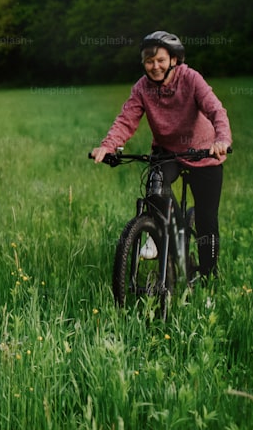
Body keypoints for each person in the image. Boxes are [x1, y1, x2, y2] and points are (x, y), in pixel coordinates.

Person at [90, 30, 232, 282]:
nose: (154, 66)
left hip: (204, 153)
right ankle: (162, 231)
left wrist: (222, 140)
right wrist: (108, 145)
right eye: (149, 61)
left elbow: (215, 109)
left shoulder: (191, 79)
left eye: (160, 60)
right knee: (155, 189)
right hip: (168, 152)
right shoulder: (142, 88)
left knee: (206, 221)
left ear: (174, 60)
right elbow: (126, 120)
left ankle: (209, 277)